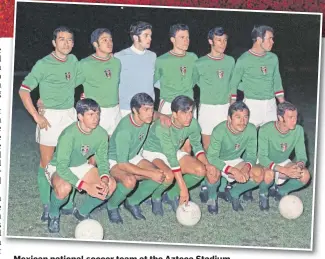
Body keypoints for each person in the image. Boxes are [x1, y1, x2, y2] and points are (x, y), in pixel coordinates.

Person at [19, 26, 79, 222]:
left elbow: (76, 82)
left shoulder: (73, 60)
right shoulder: (43, 64)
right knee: (46, 163)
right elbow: (24, 90)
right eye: (62, 39)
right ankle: (47, 204)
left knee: (69, 159)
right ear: (54, 43)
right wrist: (37, 116)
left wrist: (84, 94)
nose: (66, 43)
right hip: (50, 117)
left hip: (70, 114)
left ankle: (68, 202)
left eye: (70, 39)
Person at [45, 99, 116, 233]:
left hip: (80, 165)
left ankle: (82, 212)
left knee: (110, 185)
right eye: (90, 114)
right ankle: (53, 214)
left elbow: (102, 160)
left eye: (97, 114)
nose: (96, 118)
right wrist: (86, 186)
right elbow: (62, 168)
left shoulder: (101, 134)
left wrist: (105, 179)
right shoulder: (69, 135)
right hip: (58, 167)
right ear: (80, 116)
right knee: (63, 188)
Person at [142, 95, 219, 214]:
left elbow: (197, 147)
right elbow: (171, 157)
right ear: (174, 114)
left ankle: (172, 194)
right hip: (153, 152)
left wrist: (207, 165)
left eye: (190, 112)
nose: (189, 117)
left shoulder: (193, 123)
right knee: (168, 176)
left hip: (173, 150)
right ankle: (156, 196)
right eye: (184, 113)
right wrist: (184, 188)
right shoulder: (163, 126)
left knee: (201, 170)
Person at [105, 93, 168, 224]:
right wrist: (149, 173)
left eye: (151, 109)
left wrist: (163, 116)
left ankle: (132, 202)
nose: (150, 113)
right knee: (130, 180)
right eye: (146, 110)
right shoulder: (125, 131)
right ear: (134, 110)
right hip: (114, 160)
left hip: (133, 156)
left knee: (161, 175)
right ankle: (112, 206)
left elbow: (156, 114)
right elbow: (122, 164)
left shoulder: (147, 118)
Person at [206, 101, 264, 212]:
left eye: (245, 117)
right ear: (229, 118)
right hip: (218, 160)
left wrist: (246, 168)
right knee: (212, 173)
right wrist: (233, 171)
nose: (243, 121)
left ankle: (234, 193)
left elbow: (252, 155)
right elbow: (212, 157)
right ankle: (212, 198)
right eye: (238, 117)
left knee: (258, 173)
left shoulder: (251, 129)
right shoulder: (219, 130)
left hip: (235, 160)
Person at [229, 25, 285, 128]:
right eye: (270, 38)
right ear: (259, 39)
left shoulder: (273, 58)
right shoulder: (243, 59)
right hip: (252, 105)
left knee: (270, 139)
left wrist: (283, 104)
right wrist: (232, 109)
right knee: (249, 140)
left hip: (271, 105)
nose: (272, 42)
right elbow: (233, 83)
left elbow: (277, 81)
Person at [258, 101, 311, 207]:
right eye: (290, 117)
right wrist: (284, 170)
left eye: (295, 117)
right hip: (265, 163)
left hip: (283, 161)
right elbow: (263, 158)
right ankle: (263, 193)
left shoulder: (298, 130)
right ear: (280, 117)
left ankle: (281, 191)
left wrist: (299, 166)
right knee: (269, 175)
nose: (294, 120)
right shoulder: (265, 130)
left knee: (305, 175)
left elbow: (302, 156)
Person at [193, 26, 235, 150]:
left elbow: (234, 83)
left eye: (225, 40)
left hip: (225, 107)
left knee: (225, 144)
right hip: (207, 108)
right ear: (210, 41)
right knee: (207, 145)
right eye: (219, 40)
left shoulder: (230, 61)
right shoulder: (200, 63)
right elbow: (192, 83)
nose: (223, 44)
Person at [77, 28, 121, 136]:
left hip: (115, 110)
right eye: (104, 40)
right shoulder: (85, 64)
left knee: (112, 146)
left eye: (110, 39)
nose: (109, 43)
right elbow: (68, 84)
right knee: (94, 146)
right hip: (97, 111)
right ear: (95, 44)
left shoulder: (116, 62)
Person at [114, 21, 156, 117]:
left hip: (148, 109)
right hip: (126, 109)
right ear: (135, 37)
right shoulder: (119, 57)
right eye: (146, 35)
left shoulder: (152, 56)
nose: (150, 38)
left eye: (150, 35)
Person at [154, 23, 198, 115]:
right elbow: (154, 81)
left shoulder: (193, 58)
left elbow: (195, 78)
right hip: (169, 104)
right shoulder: (162, 60)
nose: (186, 41)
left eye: (187, 37)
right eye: (182, 37)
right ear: (172, 39)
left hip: (189, 104)